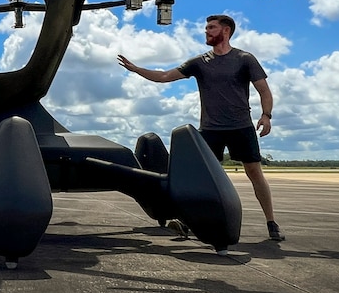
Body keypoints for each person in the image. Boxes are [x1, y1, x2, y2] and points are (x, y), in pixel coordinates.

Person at [117, 13, 284, 242]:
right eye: (206, 27)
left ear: (225, 31)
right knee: (201, 178)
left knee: (254, 173)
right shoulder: (199, 62)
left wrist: (266, 115)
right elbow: (165, 76)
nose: (206, 31)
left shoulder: (245, 59)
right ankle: (187, 222)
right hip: (210, 129)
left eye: (211, 27)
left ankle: (271, 222)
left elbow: (264, 90)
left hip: (241, 126)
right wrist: (137, 69)